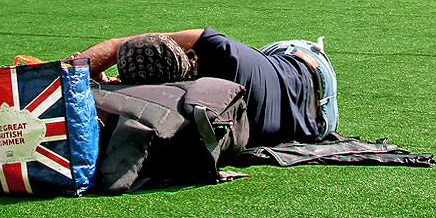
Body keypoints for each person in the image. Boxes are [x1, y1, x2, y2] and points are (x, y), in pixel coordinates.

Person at [74, 28, 337, 147]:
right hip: (309, 66)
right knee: (266, 59)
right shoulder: (218, 49)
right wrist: (79, 67)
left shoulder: (188, 112)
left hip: (318, 124)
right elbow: (117, 44)